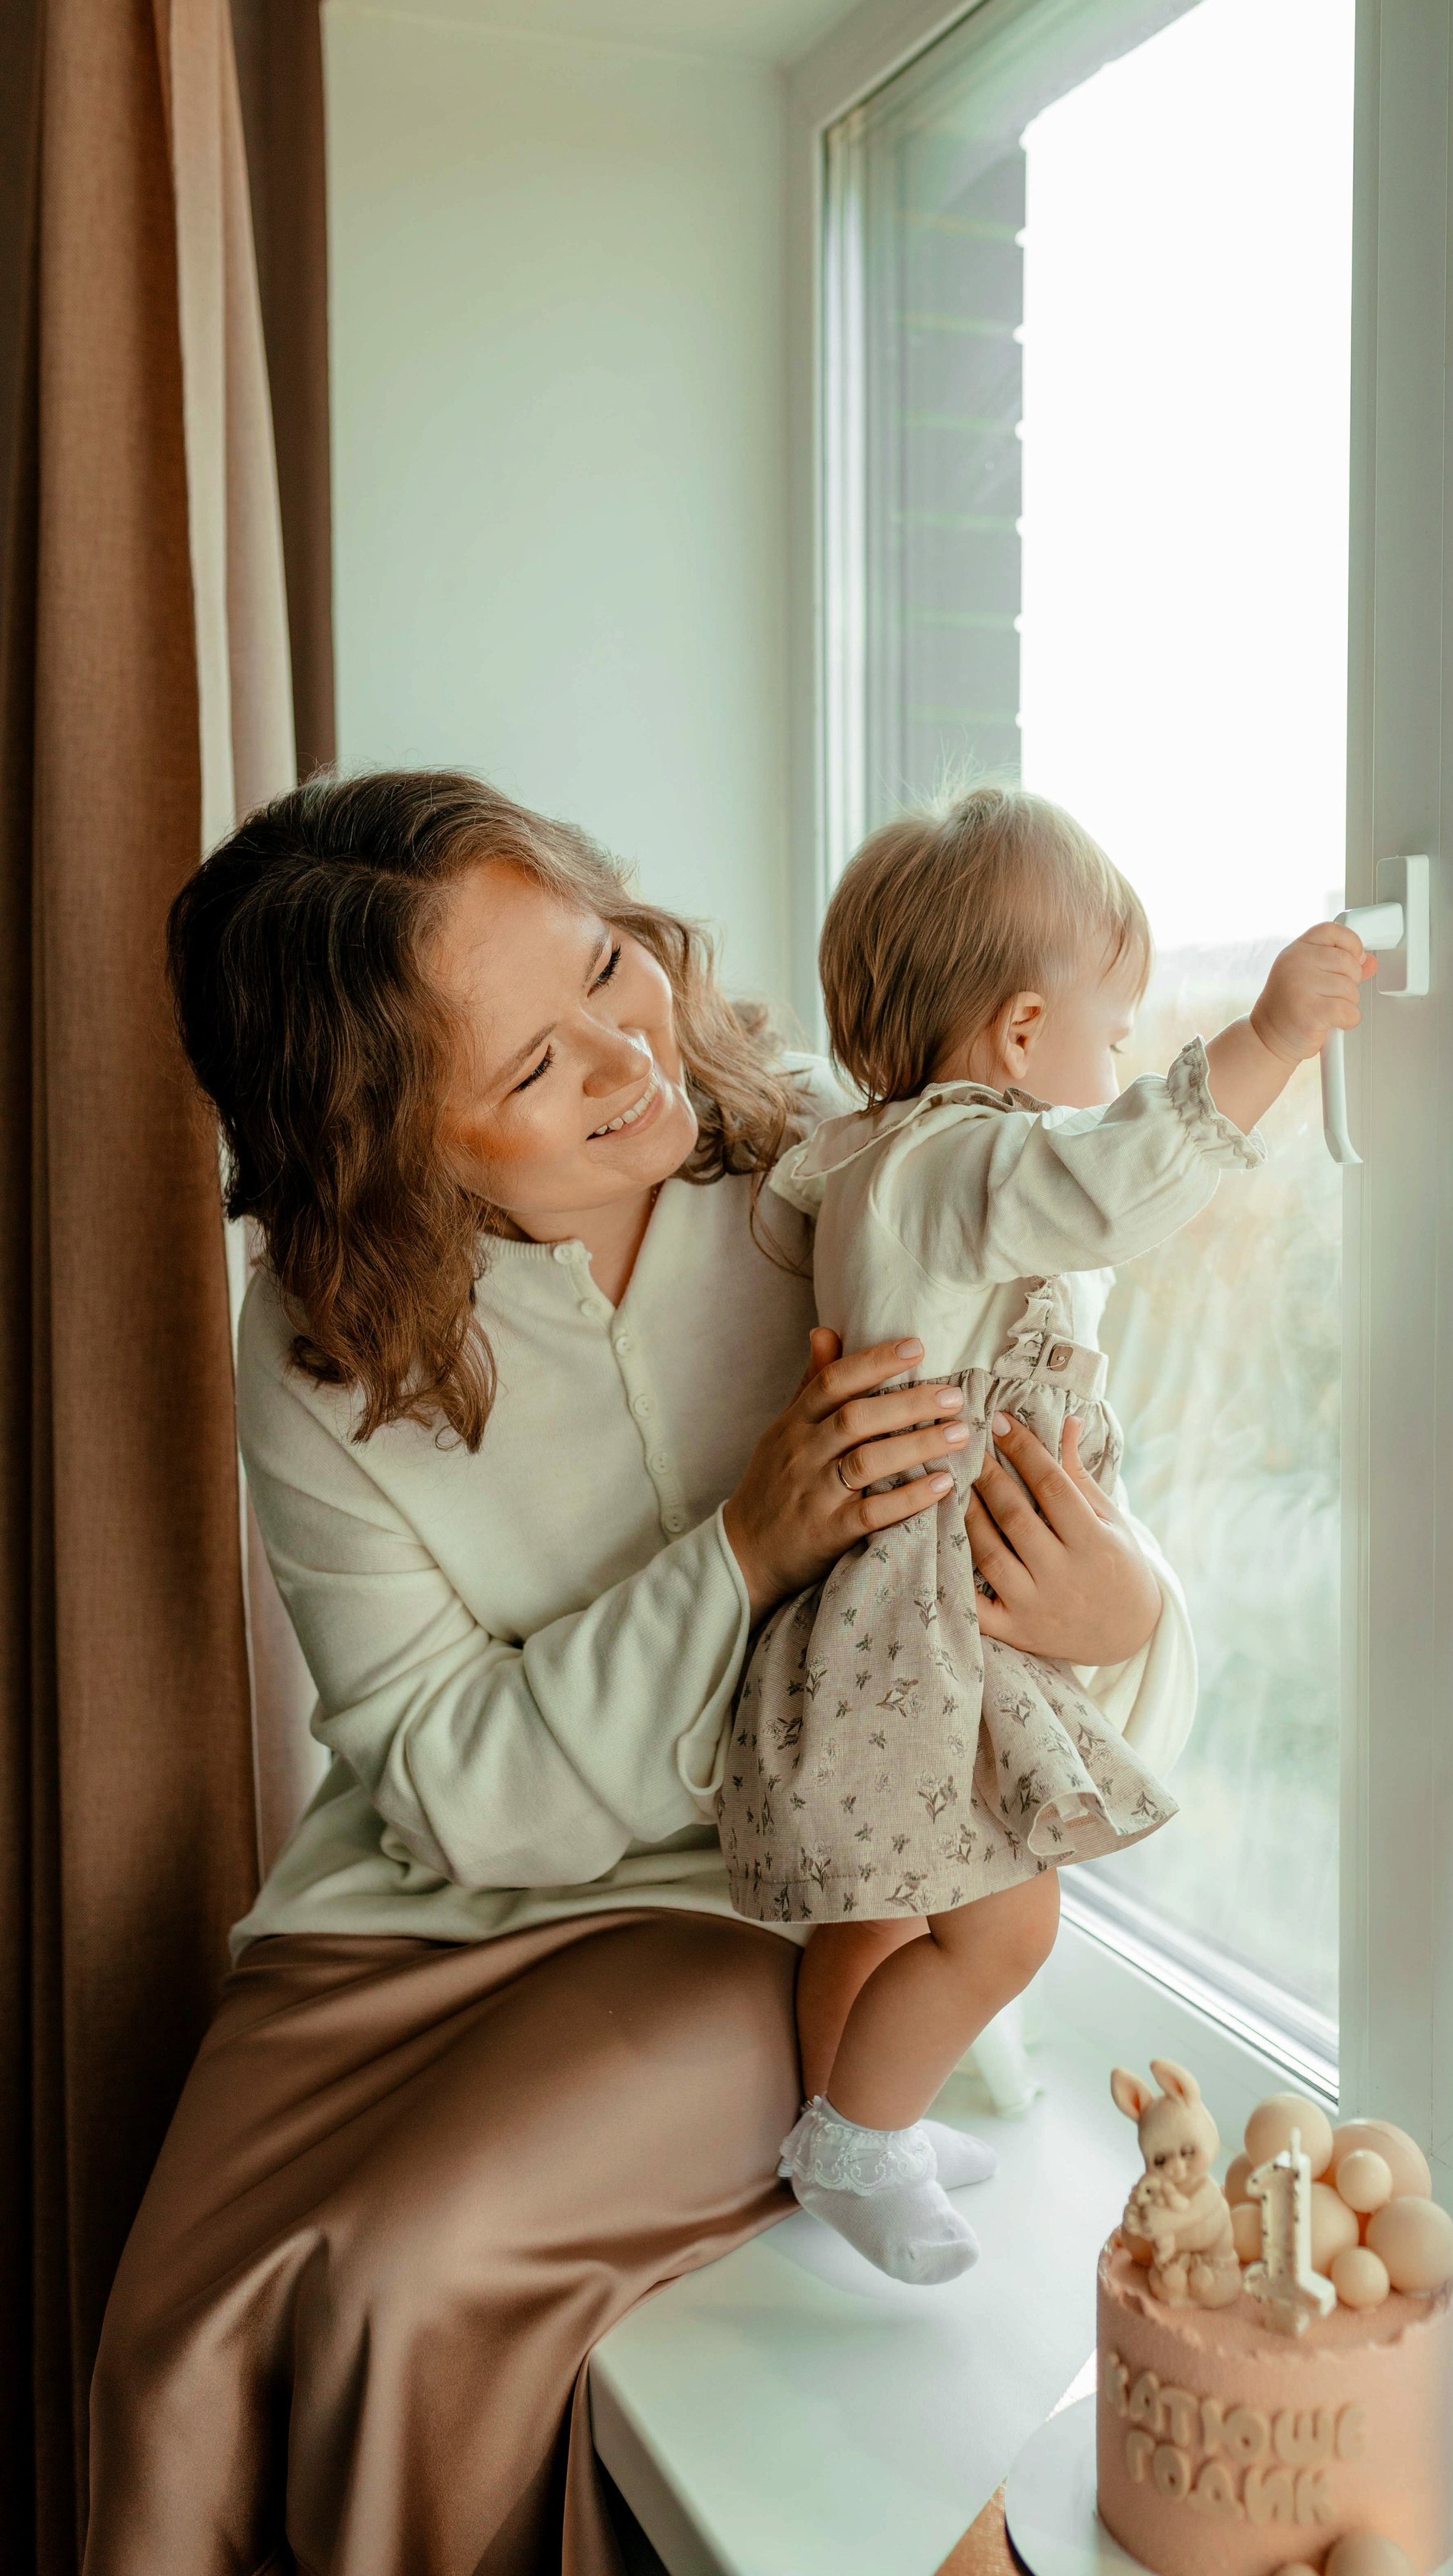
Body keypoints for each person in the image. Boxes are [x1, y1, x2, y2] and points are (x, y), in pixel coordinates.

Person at [82, 770, 1199, 2576]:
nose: (628, 1061)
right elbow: (446, 1788)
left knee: (405, 2282)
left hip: (757, 1907)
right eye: (530, 1069)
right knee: (175, 2352)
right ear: (380, 1144)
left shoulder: (847, 1185)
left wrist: (1123, 1615)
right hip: (398, 1921)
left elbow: (1073, 1549)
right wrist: (743, 1550)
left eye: (613, 967)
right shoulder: (316, 1338)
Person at [727, 785, 1369, 2291]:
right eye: (1115, 1031)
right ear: (1019, 1038)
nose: (1118, 1067)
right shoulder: (966, 1163)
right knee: (1006, 1926)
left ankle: (850, 2120)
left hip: (879, 1618)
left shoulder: (869, 1163)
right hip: (924, 1637)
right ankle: (852, 2139)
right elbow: (1100, 1184)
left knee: (878, 1914)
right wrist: (1264, 1044)